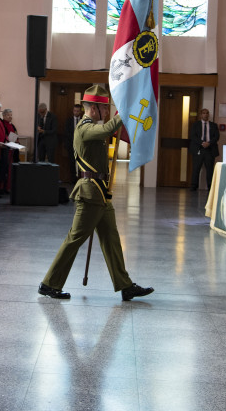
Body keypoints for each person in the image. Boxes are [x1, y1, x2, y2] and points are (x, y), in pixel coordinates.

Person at [38, 85, 154, 301]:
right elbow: (107, 130)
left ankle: (125, 285)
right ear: (93, 108)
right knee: (74, 239)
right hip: (90, 194)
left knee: (111, 239)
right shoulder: (84, 128)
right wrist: (125, 112)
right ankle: (49, 283)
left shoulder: (92, 126)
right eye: (104, 108)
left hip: (101, 194)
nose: (107, 112)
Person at [189, 108, 219, 191]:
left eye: (207, 113)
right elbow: (193, 136)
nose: (205, 115)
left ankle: (210, 186)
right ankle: (194, 185)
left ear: (208, 115)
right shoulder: (196, 124)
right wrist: (202, 143)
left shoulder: (213, 125)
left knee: (210, 169)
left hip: (210, 149)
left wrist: (208, 143)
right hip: (199, 148)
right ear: (200, 115)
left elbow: (216, 137)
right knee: (196, 168)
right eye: (203, 113)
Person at [64, 103, 82, 183]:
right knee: (72, 163)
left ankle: (81, 179)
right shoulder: (69, 121)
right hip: (71, 145)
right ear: (73, 111)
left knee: (81, 163)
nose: (76, 112)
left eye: (78, 111)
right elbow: (66, 133)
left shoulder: (83, 121)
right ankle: (73, 180)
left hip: (81, 146)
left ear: (80, 111)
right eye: (75, 111)